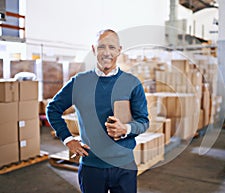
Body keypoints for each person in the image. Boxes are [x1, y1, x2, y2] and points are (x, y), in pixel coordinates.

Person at [46, 29, 149, 193]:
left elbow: (143, 121)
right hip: (91, 167)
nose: (106, 52)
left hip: (124, 167)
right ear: (94, 49)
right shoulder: (79, 82)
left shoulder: (132, 83)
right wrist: (68, 139)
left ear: (119, 50)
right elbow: (52, 109)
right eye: (101, 47)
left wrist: (127, 129)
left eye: (112, 47)